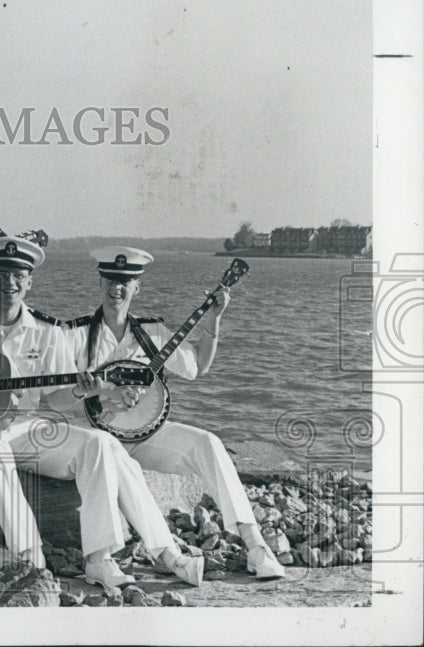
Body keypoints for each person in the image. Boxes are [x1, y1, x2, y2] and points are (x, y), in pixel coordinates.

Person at [0, 237, 204, 588]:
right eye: (2, 274)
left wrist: (84, 389)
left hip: (25, 427)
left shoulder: (45, 332)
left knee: (98, 442)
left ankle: (102, 558)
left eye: (19, 275)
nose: (10, 283)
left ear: (30, 281)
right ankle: (30, 560)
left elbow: (60, 402)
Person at [62, 246, 285, 580]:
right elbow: (55, 398)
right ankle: (169, 556)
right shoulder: (75, 335)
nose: (116, 287)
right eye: (110, 279)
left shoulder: (151, 333)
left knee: (207, 441)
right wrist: (95, 392)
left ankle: (255, 545)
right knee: (117, 459)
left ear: (137, 287)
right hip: (102, 441)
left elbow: (197, 366)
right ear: (100, 282)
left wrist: (214, 320)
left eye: (126, 281)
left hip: (147, 436)